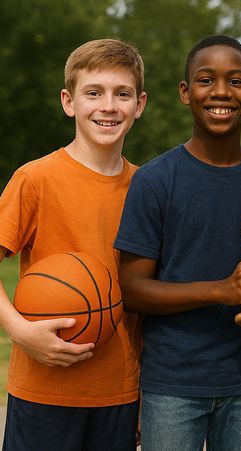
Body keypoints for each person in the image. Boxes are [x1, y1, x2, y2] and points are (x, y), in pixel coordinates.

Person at [114, 35, 241, 451]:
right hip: (173, 382)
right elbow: (133, 290)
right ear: (185, 92)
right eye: (206, 80)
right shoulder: (155, 181)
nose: (222, 92)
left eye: (236, 81)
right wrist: (221, 290)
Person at [0, 39, 147, 450]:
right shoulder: (35, 179)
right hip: (42, 387)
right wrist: (19, 330)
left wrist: (143, 394)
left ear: (140, 104)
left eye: (123, 93)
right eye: (93, 93)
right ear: (69, 101)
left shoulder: (147, 188)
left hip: (119, 392)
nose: (109, 106)